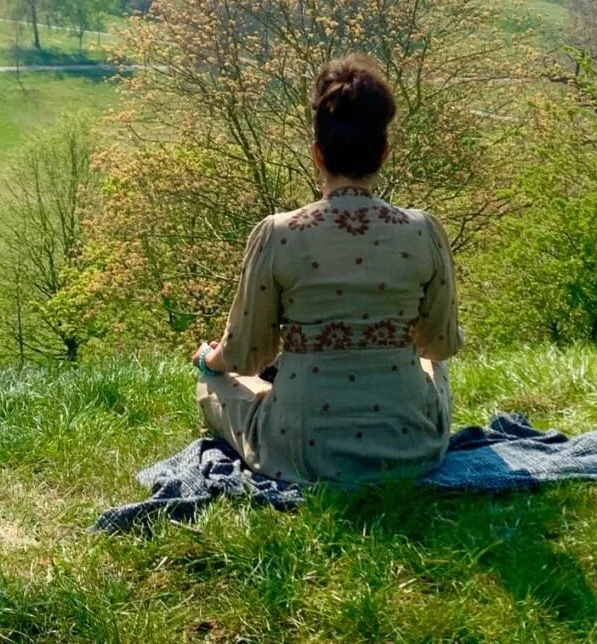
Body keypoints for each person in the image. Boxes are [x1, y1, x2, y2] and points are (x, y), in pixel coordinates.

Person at [192, 54, 462, 486]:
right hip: (412, 447)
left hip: (303, 449)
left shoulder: (278, 234)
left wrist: (208, 359)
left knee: (214, 385)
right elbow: (441, 345)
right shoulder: (423, 231)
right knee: (435, 370)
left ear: (317, 153)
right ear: (384, 152)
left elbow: (247, 353)